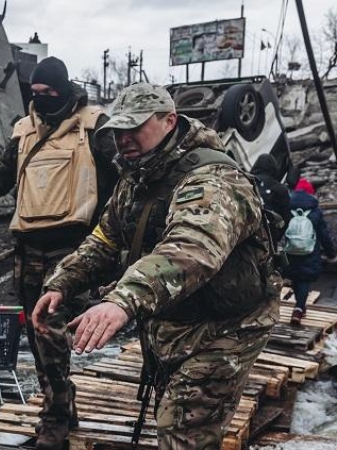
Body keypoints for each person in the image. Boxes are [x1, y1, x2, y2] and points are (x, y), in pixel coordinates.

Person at [33, 83, 279, 449]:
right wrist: (63, 282)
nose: (124, 139)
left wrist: (122, 300)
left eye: (135, 127)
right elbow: (106, 239)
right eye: (118, 130)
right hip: (173, 322)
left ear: (170, 121)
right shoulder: (137, 179)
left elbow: (193, 248)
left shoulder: (212, 179)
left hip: (224, 329)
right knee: (174, 418)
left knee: (182, 426)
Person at [0, 56, 118, 449]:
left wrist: (114, 241)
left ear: (65, 89)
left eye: (49, 93)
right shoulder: (24, 130)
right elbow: (1, 176)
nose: (41, 99)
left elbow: (119, 182)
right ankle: (60, 404)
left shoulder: (95, 125)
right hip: (27, 248)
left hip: (71, 247)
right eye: (36, 93)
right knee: (38, 331)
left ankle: (57, 416)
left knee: (51, 333)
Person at [284, 178, 337, 324]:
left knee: (295, 277)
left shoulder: (287, 208)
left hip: (290, 250)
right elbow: (324, 235)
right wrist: (331, 253)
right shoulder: (315, 211)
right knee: (304, 278)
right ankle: (299, 308)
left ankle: (300, 306)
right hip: (309, 251)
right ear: (310, 193)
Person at [250, 153, 291, 241]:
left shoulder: (247, 184)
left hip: (249, 238)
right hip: (270, 237)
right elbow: (286, 218)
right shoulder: (280, 189)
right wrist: (277, 236)